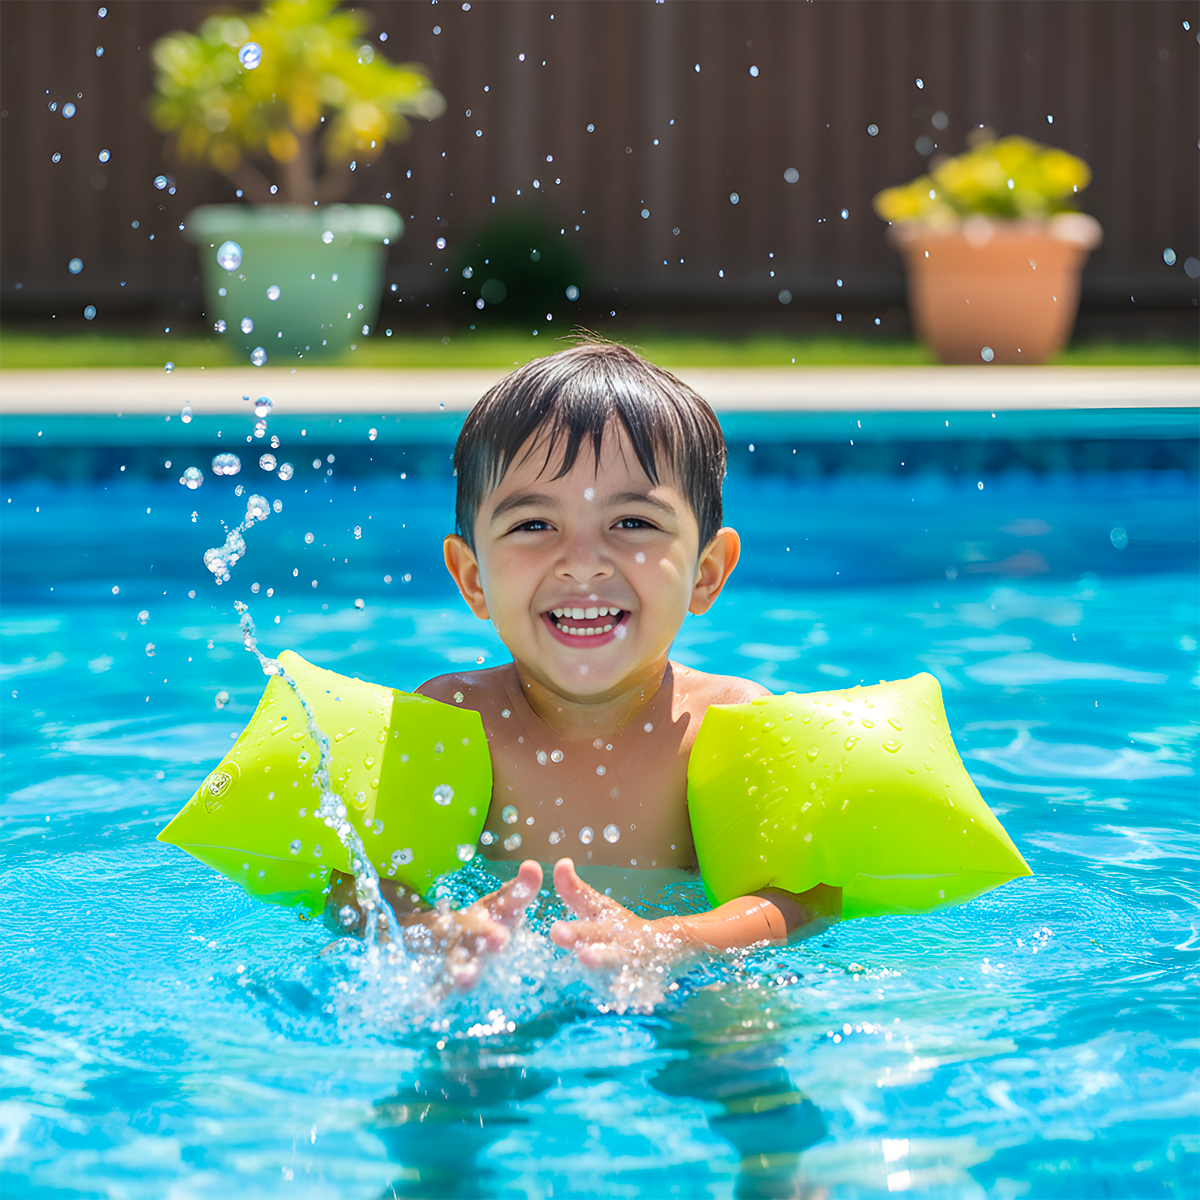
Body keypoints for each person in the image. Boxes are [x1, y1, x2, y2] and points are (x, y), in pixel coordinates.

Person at [331, 340, 838, 994]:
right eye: (535, 525)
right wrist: (433, 932)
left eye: (631, 521)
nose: (583, 562)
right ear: (471, 577)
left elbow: (806, 898)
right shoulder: (457, 719)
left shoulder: (730, 724)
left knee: (738, 1030)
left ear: (706, 574)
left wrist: (672, 941)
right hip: (505, 981)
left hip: (685, 979)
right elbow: (361, 885)